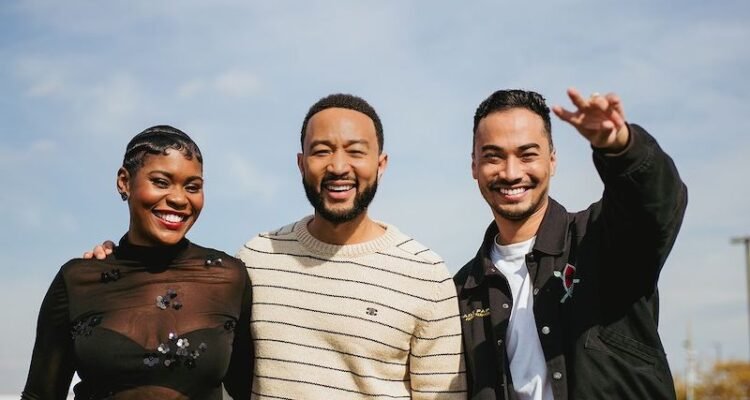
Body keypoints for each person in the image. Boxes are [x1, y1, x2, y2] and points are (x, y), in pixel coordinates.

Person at [454, 88, 687, 399]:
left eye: (527, 155)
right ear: (474, 166)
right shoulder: (463, 291)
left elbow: (655, 206)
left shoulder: (601, 239)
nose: (511, 173)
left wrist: (620, 148)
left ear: (552, 160)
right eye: (493, 156)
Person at [237, 94, 467, 399]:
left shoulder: (427, 275)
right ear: (301, 163)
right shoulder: (256, 259)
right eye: (321, 151)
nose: (338, 166)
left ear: (380, 164)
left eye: (356, 152)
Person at [22, 125, 252, 399]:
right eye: (161, 182)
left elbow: (249, 391)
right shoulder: (78, 280)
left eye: (192, 187)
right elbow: (40, 396)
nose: (179, 199)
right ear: (124, 181)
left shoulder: (228, 278)